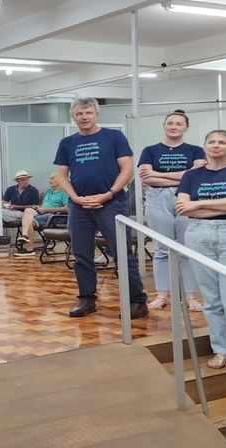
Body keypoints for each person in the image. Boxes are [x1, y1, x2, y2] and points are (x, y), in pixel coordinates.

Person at [53, 97, 148, 318]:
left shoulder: (114, 137)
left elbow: (127, 169)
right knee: (81, 254)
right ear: (73, 117)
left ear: (96, 114)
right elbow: (61, 175)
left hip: (112, 203)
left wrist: (109, 194)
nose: (84, 117)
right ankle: (86, 299)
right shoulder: (67, 143)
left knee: (122, 253)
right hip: (80, 206)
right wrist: (76, 198)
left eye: (88, 112)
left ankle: (137, 301)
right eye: (79, 113)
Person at [176, 130, 226, 371]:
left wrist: (199, 203)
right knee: (212, 300)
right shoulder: (191, 175)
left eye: (222, 142)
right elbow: (183, 208)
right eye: (211, 141)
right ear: (204, 146)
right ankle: (221, 349)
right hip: (198, 234)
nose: (216, 145)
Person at [138, 109, 207, 311]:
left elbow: (197, 175)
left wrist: (159, 174)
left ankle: (191, 297)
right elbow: (146, 178)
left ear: (186, 127)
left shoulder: (195, 150)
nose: (173, 127)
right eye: (170, 123)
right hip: (157, 198)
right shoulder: (150, 150)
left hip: (186, 198)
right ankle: (162, 295)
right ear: (164, 126)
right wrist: (183, 175)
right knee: (162, 249)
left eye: (178, 123)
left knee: (187, 249)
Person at [14, 173, 68, 256]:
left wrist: (46, 210)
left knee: (29, 222)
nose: (49, 181)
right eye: (49, 178)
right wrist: (39, 207)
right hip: (43, 212)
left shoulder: (65, 192)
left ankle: (29, 249)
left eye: (52, 178)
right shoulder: (49, 190)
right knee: (28, 210)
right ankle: (24, 235)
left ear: (60, 180)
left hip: (54, 216)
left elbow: (67, 209)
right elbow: (46, 205)